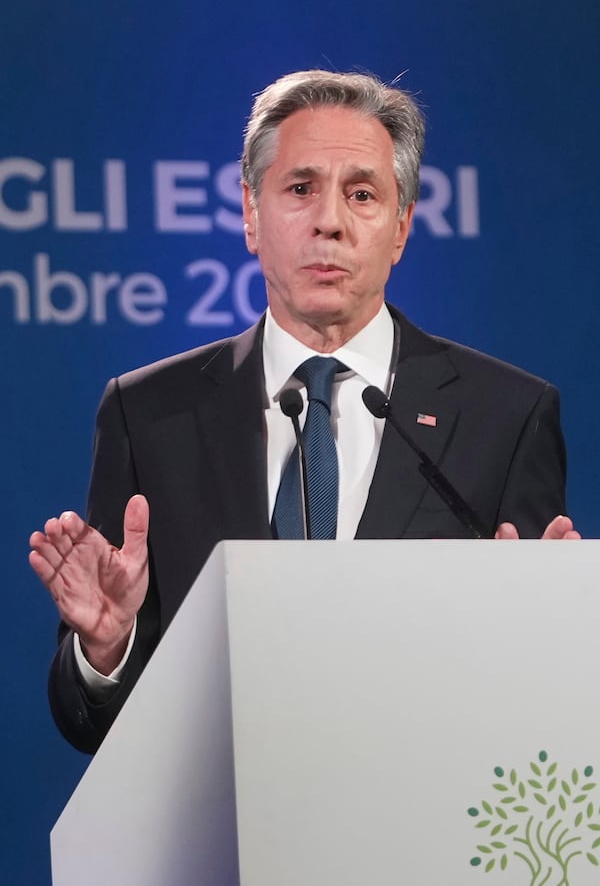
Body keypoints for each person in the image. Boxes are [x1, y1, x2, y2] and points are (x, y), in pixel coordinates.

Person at [29, 70, 580, 754]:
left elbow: (539, 718)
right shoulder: (147, 416)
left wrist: (557, 637)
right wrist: (108, 648)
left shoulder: (507, 415)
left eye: (362, 194)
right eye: (300, 188)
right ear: (251, 216)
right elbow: (91, 725)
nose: (330, 221)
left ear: (402, 226)